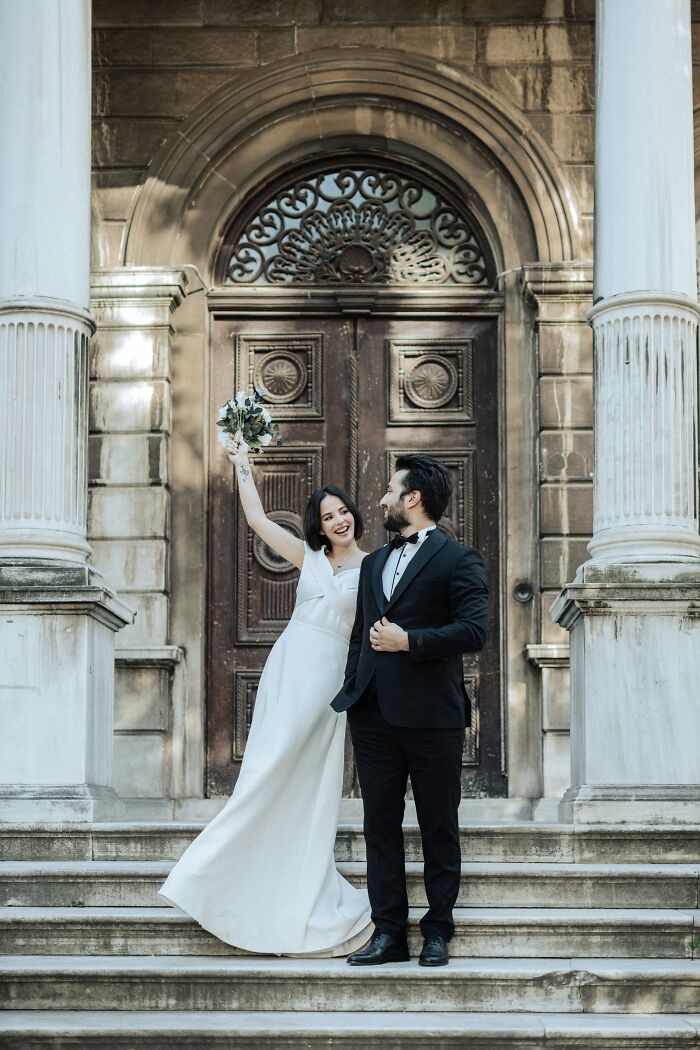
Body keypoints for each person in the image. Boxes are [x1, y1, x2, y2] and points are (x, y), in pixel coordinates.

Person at [159, 437, 372, 956]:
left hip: (329, 678)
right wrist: (243, 466)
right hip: (290, 665)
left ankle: (291, 884)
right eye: (328, 515)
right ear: (317, 525)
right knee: (266, 768)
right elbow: (256, 521)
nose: (338, 520)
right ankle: (214, 875)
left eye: (343, 511)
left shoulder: (375, 565)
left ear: (353, 516)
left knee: (304, 779)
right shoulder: (308, 557)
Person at [331, 453, 488, 967]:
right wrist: (354, 691)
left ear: (413, 497)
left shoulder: (459, 559)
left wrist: (410, 641)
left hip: (433, 716)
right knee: (380, 826)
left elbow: (474, 630)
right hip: (374, 715)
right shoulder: (374, 562)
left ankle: (438, 930)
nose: (379, 499)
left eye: (389, 490)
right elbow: (361, 635)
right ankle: (389, 933)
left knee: (439, 824)